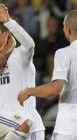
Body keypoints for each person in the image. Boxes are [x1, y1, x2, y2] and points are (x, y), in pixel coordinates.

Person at [0, 3, 45, 140]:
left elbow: (30, 44)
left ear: (6, 34)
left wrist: (9, 22)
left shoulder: (20, 55)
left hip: (31, 129)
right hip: (10, 130)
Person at [18, 9, 77, 140]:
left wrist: (29, 91)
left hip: (70, 127)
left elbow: (56, 88)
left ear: (67, 30)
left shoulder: (64, 54)